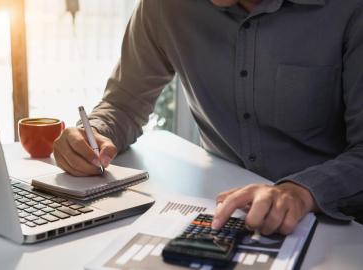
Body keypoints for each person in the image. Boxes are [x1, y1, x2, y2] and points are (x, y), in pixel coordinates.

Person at [53, 0, 363, 235]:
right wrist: (92, 133)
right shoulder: (165, 7)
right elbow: (122, 105)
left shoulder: (349, 10)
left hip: (335, 227)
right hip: (214, 212)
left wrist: (299, 192)